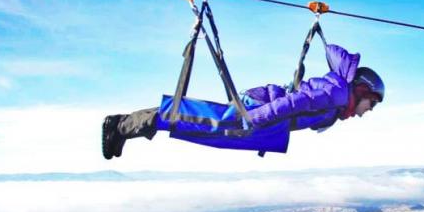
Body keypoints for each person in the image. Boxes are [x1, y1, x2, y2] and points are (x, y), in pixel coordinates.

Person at [101, 44, 384, 159]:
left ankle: (126, 129)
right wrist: (254, 120)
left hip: (268, 122)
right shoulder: (335, 93)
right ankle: (122, 125)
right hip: (260, 113)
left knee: (203, 129)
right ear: (361, 91)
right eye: (370, 105)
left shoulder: (336, 99)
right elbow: (293, 104)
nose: (367, 112)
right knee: (199, 120)